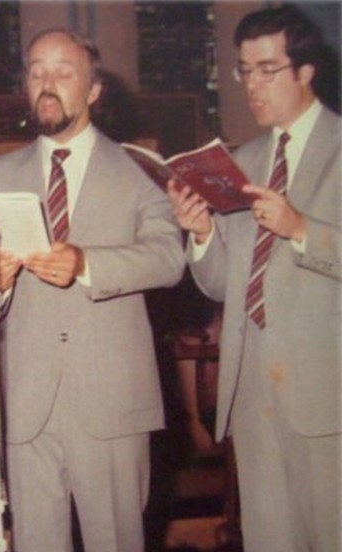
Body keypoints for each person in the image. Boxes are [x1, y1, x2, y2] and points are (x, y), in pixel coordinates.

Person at [0, 28, 185, 552]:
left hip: (112, 404)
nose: (47, 84)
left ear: (95, 90)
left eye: (63, 72)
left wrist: (87, 264)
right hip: (28, 406)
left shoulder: (139, 169)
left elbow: (170, 257)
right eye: (37, 72)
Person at [166, 6, 340, 552]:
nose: (253, 86)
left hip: (327, 392)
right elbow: (224, 284)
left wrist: (301, 228)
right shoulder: (243, 159)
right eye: (245, 71)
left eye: (268, 69)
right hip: (254, 392)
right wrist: (201, 235)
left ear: (306, 70)